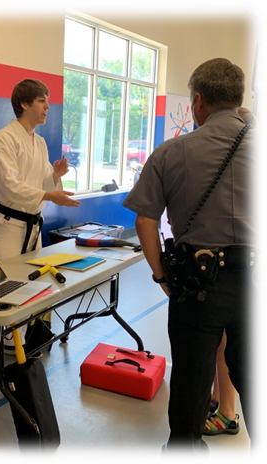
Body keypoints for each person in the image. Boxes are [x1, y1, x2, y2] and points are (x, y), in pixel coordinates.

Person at [122, 58, 262, 461]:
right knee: (255, 379)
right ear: (237, 98)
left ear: (198, 101)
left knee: (191, 381)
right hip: (254, 286)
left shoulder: (171, 152)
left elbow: (145, 221)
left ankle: (186, 455)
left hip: (196, 287)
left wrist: (161, 276)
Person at [0, 78, 80, 380]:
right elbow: (10, 185)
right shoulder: (3, 139)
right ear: (24, 104)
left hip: (32, 226)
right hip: (8, 226)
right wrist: (49, 193)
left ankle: (14, 340)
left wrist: (54, 176)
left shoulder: (39, 142)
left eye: (47, 100)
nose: (48, 106)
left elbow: (40, 182)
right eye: (42, 100)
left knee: (26, 288)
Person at [203, 107, 259, 437]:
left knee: (226, 345)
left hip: (241, 276)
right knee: (219, 344)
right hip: (230, 271)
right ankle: (217, 398)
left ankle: (227, 411)